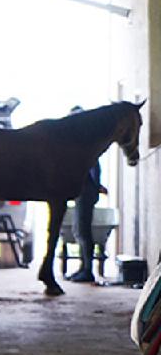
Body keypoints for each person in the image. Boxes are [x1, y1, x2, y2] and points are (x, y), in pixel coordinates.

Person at [68, 106, 106, 283]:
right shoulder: (84, 141)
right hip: (84, 190)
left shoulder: (85, 142)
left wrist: (95, 186)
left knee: (82, 230)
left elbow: (91, 168)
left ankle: (87, 270)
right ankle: (84, 267)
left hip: (85, 190)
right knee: (79, 229)